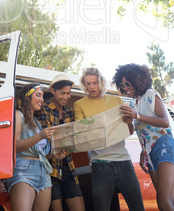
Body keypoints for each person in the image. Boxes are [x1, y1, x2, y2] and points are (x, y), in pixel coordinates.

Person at [74, 67, 145, 211]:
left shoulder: (117, 100)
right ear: (84, 84)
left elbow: (129, 131)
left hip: (124, 161)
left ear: (101, 82)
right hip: (100, 164)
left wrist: (129, 122)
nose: (92, 87)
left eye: (95, 82)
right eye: (88, 83)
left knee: (138, 207)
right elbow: (81, 135)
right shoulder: (79, 104)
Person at [113, 63, 174, 211]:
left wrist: (137, 116)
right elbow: (142, 132)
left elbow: (165, 122)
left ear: (138, 80)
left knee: (164, 202)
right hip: (150, 153)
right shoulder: (137, 102)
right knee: (165, 202)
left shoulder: (151, 94)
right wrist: (143, 153)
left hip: (163, 146)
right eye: (122, 85)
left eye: (128, 83)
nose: (125, 87)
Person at [5, 83, 66, 211]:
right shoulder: (18, 115)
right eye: (38, 95)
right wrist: (40, 136)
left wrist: (53, 155)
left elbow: (38, 153)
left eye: (42, 96)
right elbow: (14, 146)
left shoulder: (36, 122)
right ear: (27, 98)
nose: (42, 100)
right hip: (24, 171)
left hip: (43, 173)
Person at [36, 73, 85, 211]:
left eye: (68, 93)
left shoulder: (70, 111)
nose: (66, 97)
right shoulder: (44, 109)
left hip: (68, 165)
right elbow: (45, 138)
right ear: (53, 91)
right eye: (62, 93)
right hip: (50, 168)